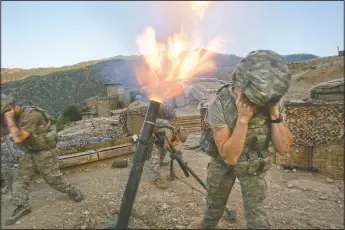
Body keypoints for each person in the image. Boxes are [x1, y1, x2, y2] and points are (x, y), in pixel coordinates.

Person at [188, 50, 294, 229]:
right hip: (223, 161)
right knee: (214, 206)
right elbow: (229, 157)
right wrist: (243, 121)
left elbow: (284, 148)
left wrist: (275, 114)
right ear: (241, 88)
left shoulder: (271, 100)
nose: (261, 105)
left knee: (256, 213)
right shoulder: (219, 103)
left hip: (253, 162)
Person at [1, 94, 84, 226]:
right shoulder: (11, 117)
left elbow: (18, 138)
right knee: (19, 178)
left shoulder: (31, 114)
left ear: (8, 109)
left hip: (45, 152)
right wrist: (7, 121)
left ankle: (73, 190)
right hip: (30, 153)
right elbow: (4, 132)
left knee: (54, 180)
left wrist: (9, 119)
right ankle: (22, 205)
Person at [151, 118, 188, 189]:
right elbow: (166, 146)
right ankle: (156, 178)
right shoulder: (169, 132)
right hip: (153, 138)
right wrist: (173, 143)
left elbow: (167, 146)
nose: (178, 140)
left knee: (163, 150)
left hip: (160, 139)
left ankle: (160, 162)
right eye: (179, 138)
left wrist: (174, 143)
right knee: (156, 155)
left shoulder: (175, 131)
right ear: (178, 133)